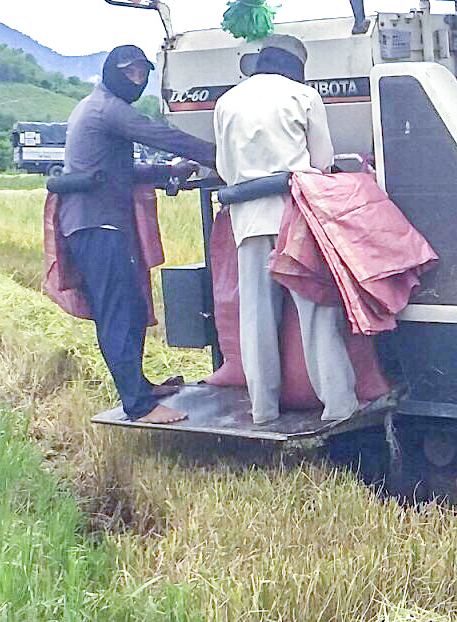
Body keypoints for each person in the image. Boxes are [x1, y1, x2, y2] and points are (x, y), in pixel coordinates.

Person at [60, 44, 216, 424]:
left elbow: (123, 172)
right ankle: (139, 405)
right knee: (115, 312)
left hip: (100, 222)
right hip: (96, 224)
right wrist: (223, 152)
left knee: (130, 308)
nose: (138, 79)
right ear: (113, 72)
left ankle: (140, 387)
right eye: (130, 72)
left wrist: (170, 172)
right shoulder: (107, 108)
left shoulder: (98, 106)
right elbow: (162, 136)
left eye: (143, 73)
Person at [212, 34, 360, 426]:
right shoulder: (303, 97)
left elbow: (225, 169)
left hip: (247, 220)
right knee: (316, 313)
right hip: (295, 218)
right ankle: (339, 404)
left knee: (257, 316)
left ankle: (263, 409)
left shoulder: (226, 102)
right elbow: (323, 163)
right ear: (298, 65)